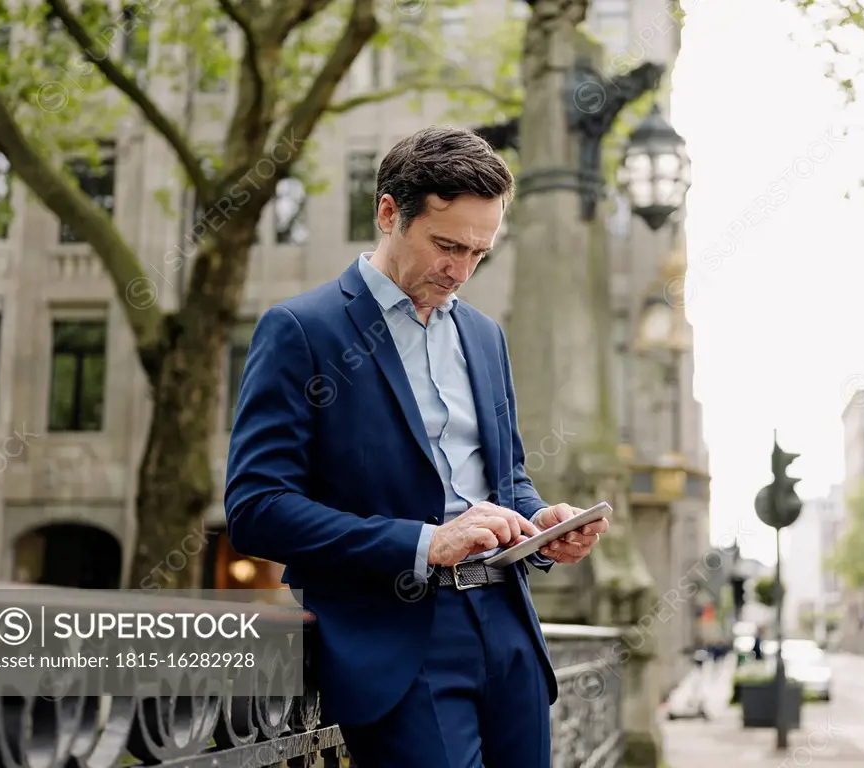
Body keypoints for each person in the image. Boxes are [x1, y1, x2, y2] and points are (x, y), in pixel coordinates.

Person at [224, 125, 610, 768]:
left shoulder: (485, 336)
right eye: (446, 245)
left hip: (510, 628)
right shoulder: (300, 330)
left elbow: (505, 475)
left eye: (478, 254)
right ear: (387, 212)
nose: (459, 271)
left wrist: (540, 522)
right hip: (401, 642)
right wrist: (427, 544)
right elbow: (257, 509)